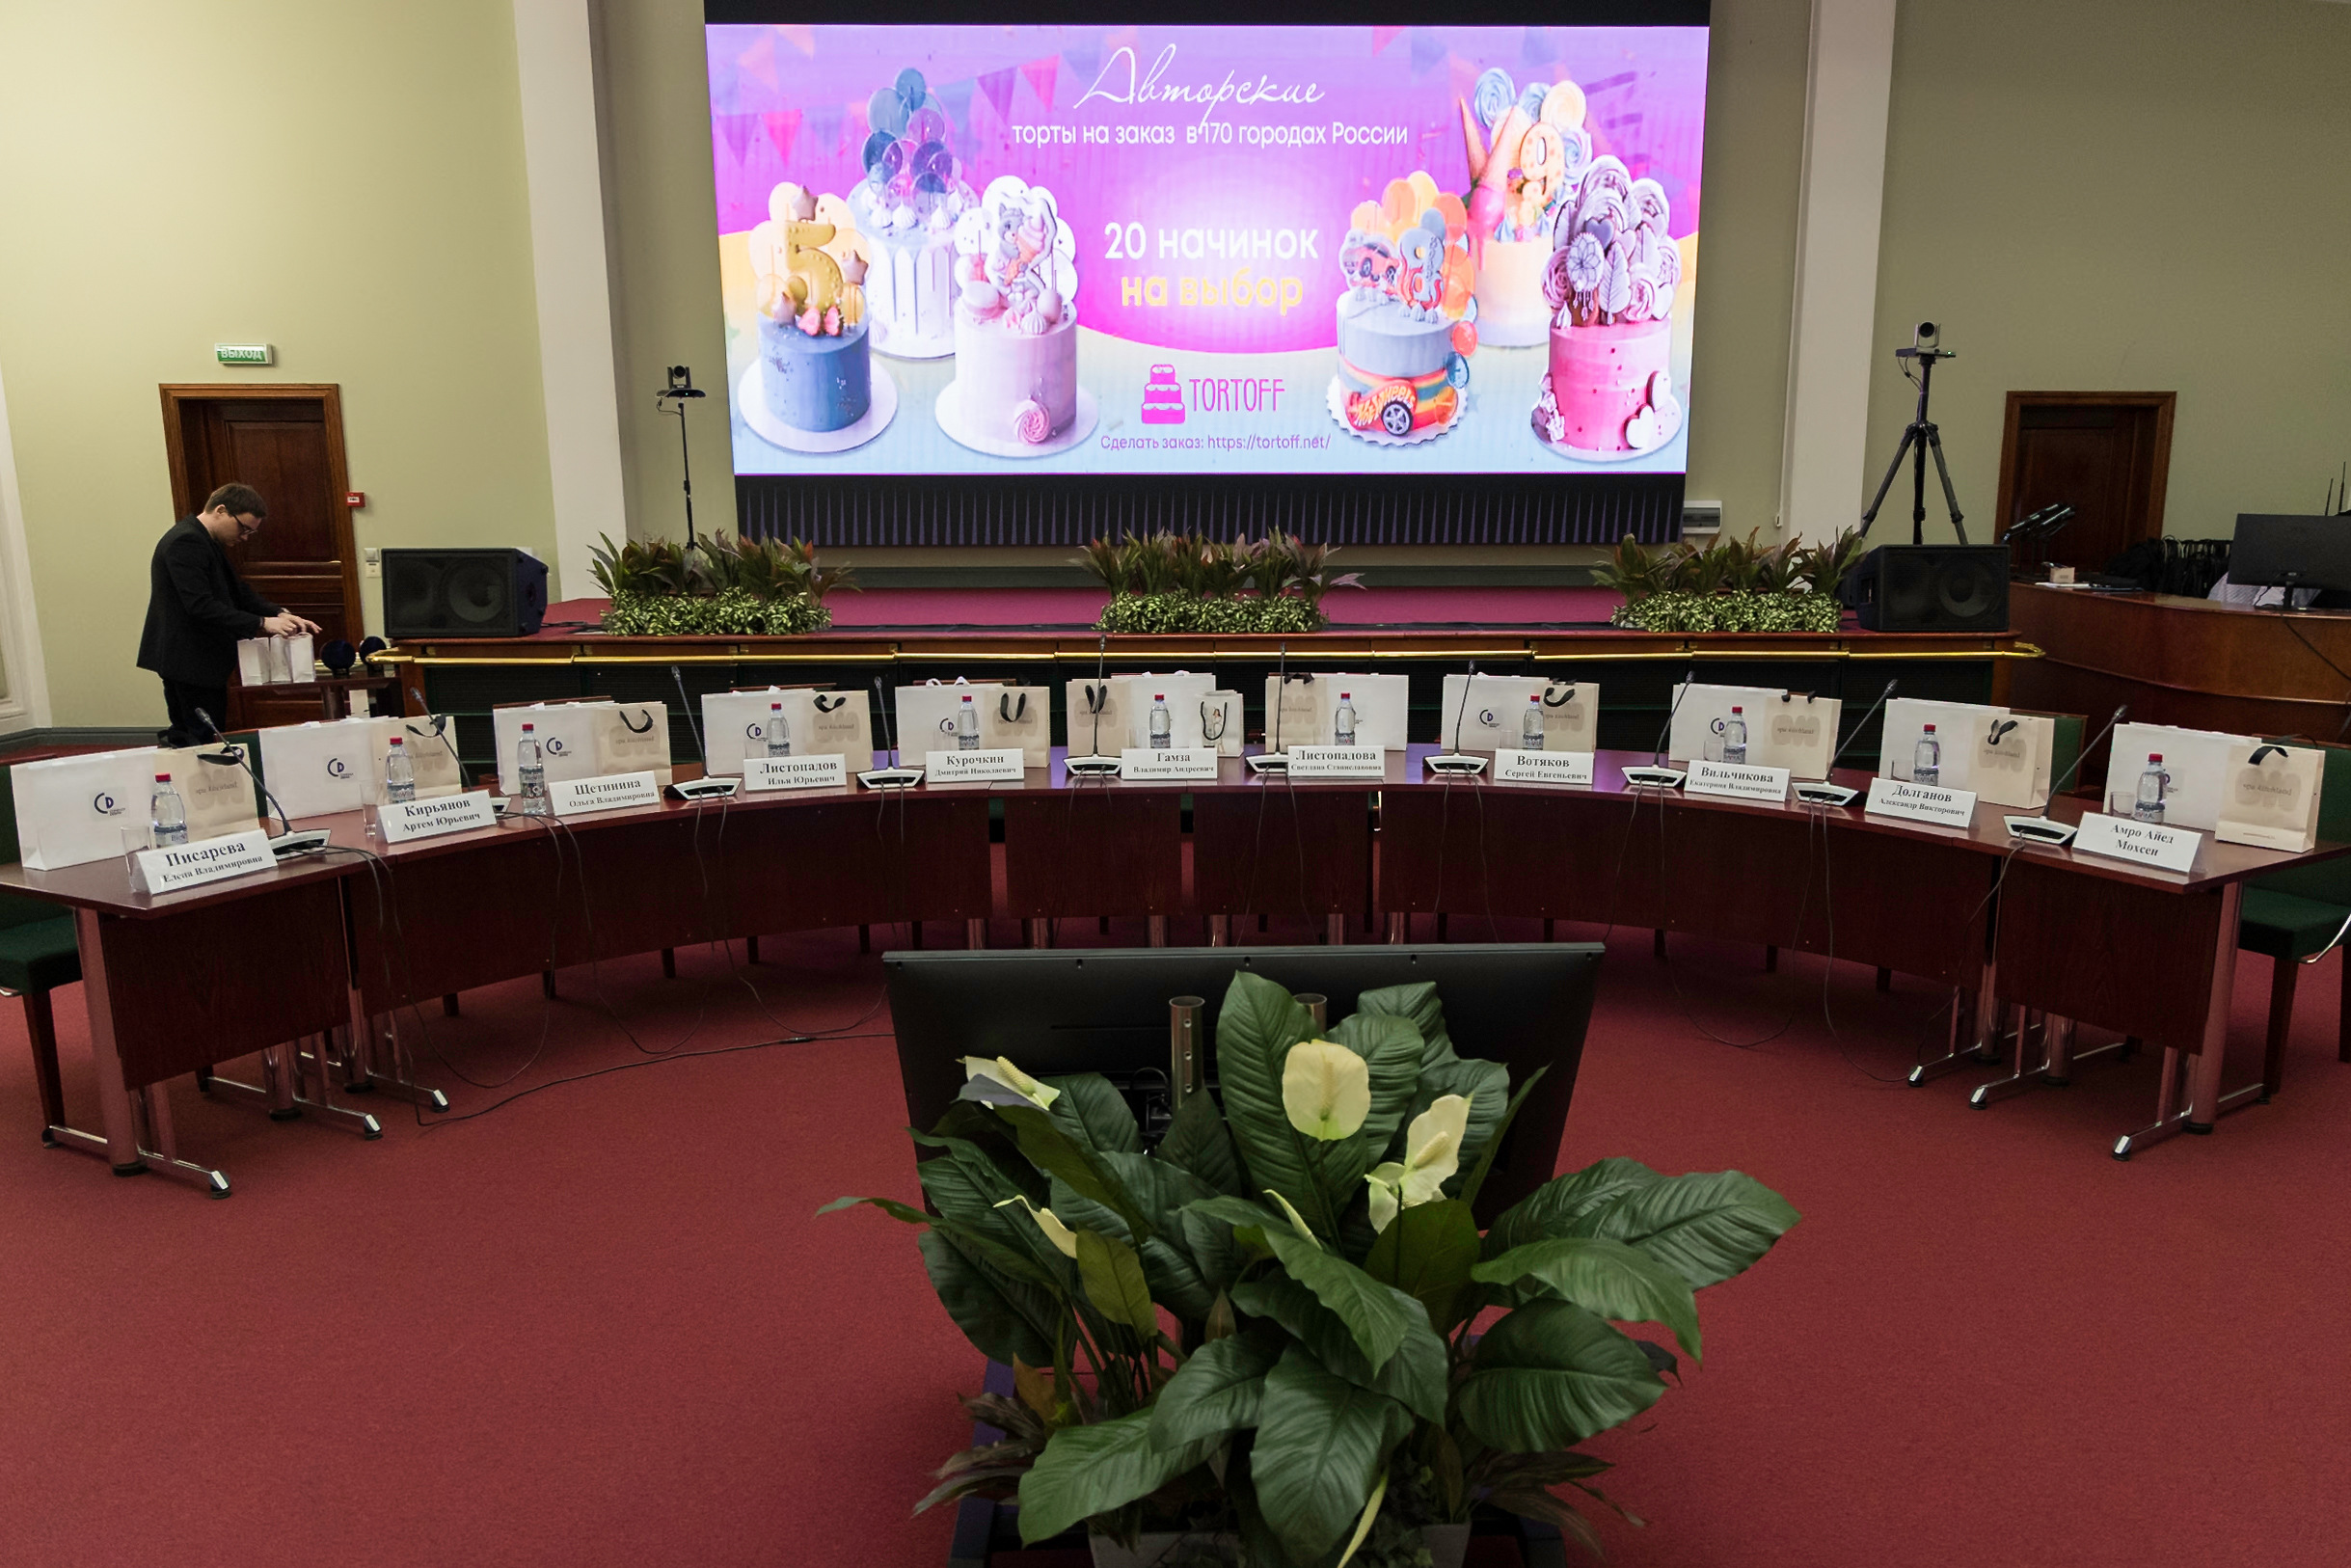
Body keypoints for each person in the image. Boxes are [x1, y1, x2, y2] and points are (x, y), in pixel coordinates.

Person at [136, 482, 320, 745]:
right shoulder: (186, 541)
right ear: (221, 510)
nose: (244, 537)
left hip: (197, 658)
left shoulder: (205, 539)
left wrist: (278, 613)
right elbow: (200, 605)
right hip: (188, 658)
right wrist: (262, 622)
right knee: (197, 740)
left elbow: (237, 591)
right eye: (243, 528)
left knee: (206, 735)